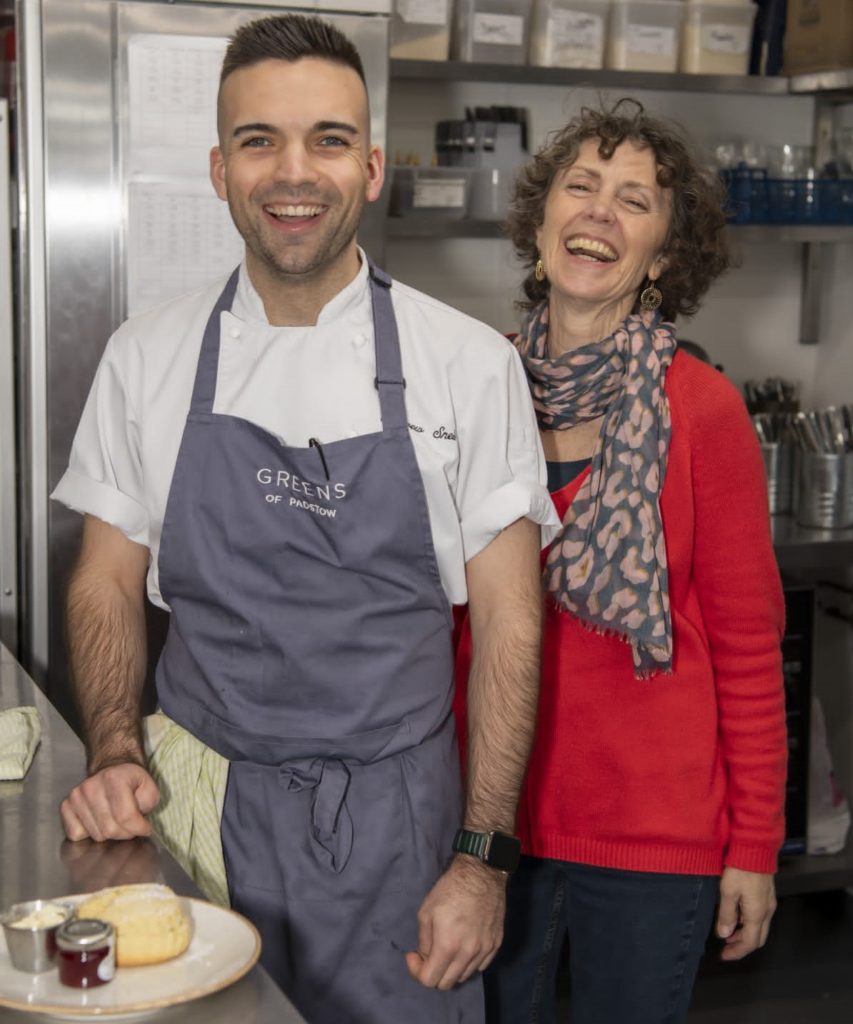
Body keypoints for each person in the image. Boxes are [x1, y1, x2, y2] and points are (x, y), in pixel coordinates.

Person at [52, 15, 560, 1024]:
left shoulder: (467, 364)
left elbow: (511, 624)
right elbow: (104, 577)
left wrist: (482, 858)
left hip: (398, 832)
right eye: (259, 141)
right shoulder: (146, 356)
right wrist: (113, 747)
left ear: (371, 167)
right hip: (195, 812)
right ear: (218, 168)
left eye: (327, 139)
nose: (295, 172)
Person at [454, 98, 788, 1024]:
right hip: (492, 820)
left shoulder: (703, 411)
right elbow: (446, 623)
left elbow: (748, 648)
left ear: (664, 257)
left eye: (634, 201)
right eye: (581, 186)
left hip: (652, 833)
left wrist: (753, 846)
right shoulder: (474, 389)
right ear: (540, 220)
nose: (599, 212)